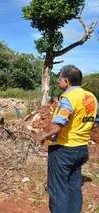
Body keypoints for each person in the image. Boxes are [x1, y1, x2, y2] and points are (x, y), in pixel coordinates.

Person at [36, 65, 99, 213]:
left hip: (64, 150)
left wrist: (42, 135)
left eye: (59, 78)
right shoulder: (91, 97)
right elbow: (95, 121)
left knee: (58, 190)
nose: (58, 81)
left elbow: (59, 123)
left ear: (66, 80)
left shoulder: (69, 97)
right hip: (82, 149)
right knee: (74, 188)